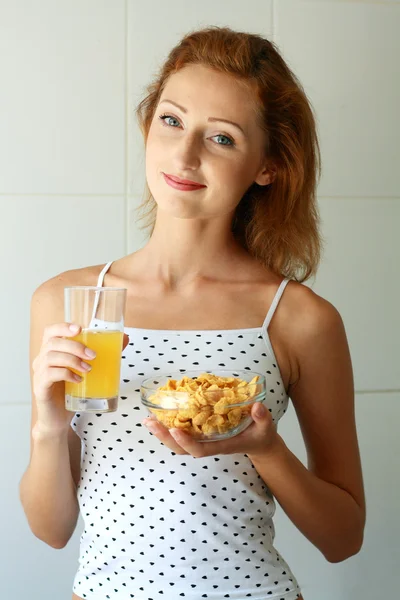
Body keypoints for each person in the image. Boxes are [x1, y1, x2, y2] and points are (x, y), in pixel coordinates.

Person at [19, 26, 365, 600]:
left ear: (268, 165)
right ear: (147, 125)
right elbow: (51, 531)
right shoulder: (67, 302)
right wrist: (50, 424)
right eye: (172, 121)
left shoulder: (298, 318)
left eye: (222, 138)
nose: (184, 155)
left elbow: (343, 538)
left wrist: (267, 449)